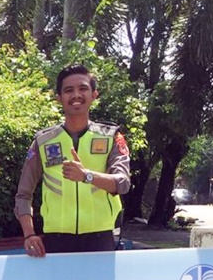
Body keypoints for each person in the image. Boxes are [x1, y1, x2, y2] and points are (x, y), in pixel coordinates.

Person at [14, 64, 131, 257]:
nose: (76, 95)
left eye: (83, 88)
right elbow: (23, 195)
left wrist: (86, 176)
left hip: (101, 238)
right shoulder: (43, 141)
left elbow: (123, 183)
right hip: (56, 240)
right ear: (59, 98)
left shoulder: (111, 136)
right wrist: (29, 234)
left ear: (94, 95)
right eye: (68, 90)